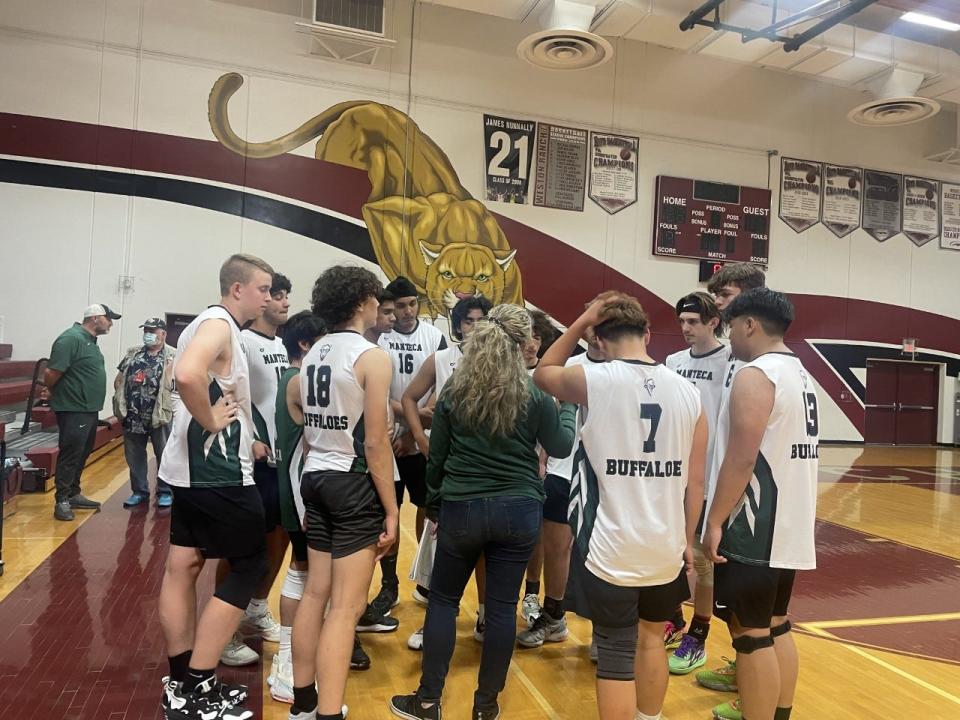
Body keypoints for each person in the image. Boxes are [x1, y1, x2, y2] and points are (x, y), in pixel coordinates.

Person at [389, 304, 575, 720]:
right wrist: (564, 403)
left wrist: (434, 503)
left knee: (443, 603)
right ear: (520, 342)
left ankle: (427, 701)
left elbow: (437, 456)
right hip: (519, 510)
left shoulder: (457, 389)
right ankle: (485, 706)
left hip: (462, 506)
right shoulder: (534, 394)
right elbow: (561, 446)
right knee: (502, 607)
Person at [534, 292, 707, 720]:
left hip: (611, 547)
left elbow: (543, 372)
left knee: (614, 652)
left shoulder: (595, 379)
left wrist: (580, 319)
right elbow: (696, 481)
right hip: (665, 546)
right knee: (651, 642)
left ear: (598, 339)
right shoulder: (688, 392)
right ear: (648, 334)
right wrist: (689, 542)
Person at [156, 253, 274, 720]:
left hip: (189, 470)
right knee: (250, 566)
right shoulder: (220, 324)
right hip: (218, 471)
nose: (268, 296)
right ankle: (200, 682)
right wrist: (210, 420)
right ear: (237, 288)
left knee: (182, 566)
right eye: (263, 288)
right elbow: (185, 374)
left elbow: (180, 372)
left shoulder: (205, 323)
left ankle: (181, 682)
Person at [289, 265, 399, 720]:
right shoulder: (372, 356)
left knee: (315, 593)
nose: (380, 305)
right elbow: (375, 443)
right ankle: (329, 713)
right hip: (351, 482)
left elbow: (298, 411)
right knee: (346, 608)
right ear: (360, 302)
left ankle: (304, 702)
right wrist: (391, 510)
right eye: (375, 298)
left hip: (314, 477)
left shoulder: (313, 353)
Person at [704, 288, 818, 720]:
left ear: (749, 324)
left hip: (755, 529)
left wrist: (714, 520)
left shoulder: (756, 374)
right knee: (775, 624)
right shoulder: (802, 373)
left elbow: (742, 456)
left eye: (731, 325)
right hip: (788, 526)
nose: (730, 334)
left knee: (749, 636)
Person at [397, 295, 491, 649]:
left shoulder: (501, 362)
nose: (476, 328)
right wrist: (420, 437)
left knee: (484, 548)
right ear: (457, 325)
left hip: (485, 469)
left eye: (483, 321)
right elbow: (409, 398)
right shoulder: (441, 359)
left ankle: (484, 615)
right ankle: (439, 618)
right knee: (442, 546)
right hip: (448, 467)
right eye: (470, 321)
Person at [696, 262, 766, 714]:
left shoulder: (760, 367)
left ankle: (755, 688)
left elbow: (745, 451)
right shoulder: (735, 359)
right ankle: (744, 670)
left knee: (757, 616)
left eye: (725, 296)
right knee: (737, 607)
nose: (718, 304)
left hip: (747, 503)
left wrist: (720, 513)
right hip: (723, 488)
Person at [219, 272, 291, 667]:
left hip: (281, 461)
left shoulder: (282, 344)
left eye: (284, 296)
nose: (282, 302)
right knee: (240, 548)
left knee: (277, 537)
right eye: (275, 294)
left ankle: (257, 607)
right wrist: (247, 440)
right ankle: (224, 630)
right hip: (252, 461)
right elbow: (225, 394)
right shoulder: (241, 341)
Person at [517, 326, 605, 650]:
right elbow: (549, 415)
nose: (597, 335)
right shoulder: (568, 367)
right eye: (591, 328)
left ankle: (602, 629)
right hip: (562, 467)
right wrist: (543, 457)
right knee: (556, 548)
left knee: (598, 551)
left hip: (603, 473)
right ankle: (554, 616)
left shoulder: (624, 371)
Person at [370, 276, 446, 633]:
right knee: (389, 513)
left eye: (411, 304)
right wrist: (408, 416)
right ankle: (389, 584)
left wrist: (416, 434)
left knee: (429, 509)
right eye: (399, 305)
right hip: (387, 438)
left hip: (421, 441)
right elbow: (376, 389)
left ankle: (424, 576)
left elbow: (440, 384)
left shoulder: (433, 335)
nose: (405, 311)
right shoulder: (379, 335)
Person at [663, 292, 728, 673]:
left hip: (709, 474)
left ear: (712, 322)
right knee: (671, 549)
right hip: (673, 473)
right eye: (682, 322)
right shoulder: (672, 362)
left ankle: (699, 634)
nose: (685, 329)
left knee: (702, 556)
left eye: (692, 322)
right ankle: (674, 616)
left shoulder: (730, 362)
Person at [45, 303, 121, 521]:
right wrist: (49, 390)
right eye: (109, 318)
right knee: (70, 453)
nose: (111, 323)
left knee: (82, 451)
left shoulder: (89, 341)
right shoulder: (71, 338)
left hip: (87, 409)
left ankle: (73, 493)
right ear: (95, 318)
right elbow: (52, 371)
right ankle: (62, 500)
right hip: (73, 408)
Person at [519, 309, 558, 623]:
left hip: (540, 470)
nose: (532, 343)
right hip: (508, 469)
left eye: (538, 337)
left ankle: (533, 593)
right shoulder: (504, 374)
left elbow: (553, 427)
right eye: (527, 335)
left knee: (541, 536)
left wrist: (543, 459)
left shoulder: (549, 376)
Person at [114, 317, 176, 509]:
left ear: (163, 334)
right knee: (135, 456)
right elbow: (119, 379)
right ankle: (139, 491)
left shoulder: (173, 355)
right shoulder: (133, 353)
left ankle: (165, 491)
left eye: (153, 331)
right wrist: (120, 399)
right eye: (146, 330)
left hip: (159, 414)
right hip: (133, 415)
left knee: (164, 454)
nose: (148, 334)